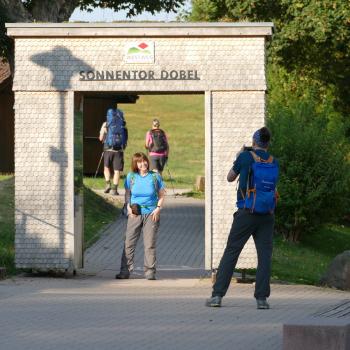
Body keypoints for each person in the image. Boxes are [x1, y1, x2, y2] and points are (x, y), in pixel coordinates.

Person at [206, 127, 279, 309]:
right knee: (264, 257)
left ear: (254, 142)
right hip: (267, 215)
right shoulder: (273, 161)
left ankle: (217, 296)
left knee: (232, 252)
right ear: (268, 143)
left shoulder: (245, 157)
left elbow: (230, 178)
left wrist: (238, 156)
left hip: (246, 212)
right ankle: (262, 299)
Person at [116, 152, 165, 280]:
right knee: (129, 243)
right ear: (135, 164)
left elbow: (161, 195)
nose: (143, 164)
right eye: (139, 162)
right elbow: (127, 193)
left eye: (144, 161)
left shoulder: (155, 177)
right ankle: (125, 271)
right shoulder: (131, 177)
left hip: (151, 214)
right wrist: (128, 207)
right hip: (135, 213)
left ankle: (150, 272)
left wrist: (158, 209)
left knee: (149, 244)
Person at [99, 104, 128, 195]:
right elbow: (125, 138)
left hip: (108, 149)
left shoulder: (106, 124)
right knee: (117, 170)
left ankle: (108, 184)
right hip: (119, 150)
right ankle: (114, 189)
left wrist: (104, 138)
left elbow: (101, 138)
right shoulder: (123, 124)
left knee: (106, 167)